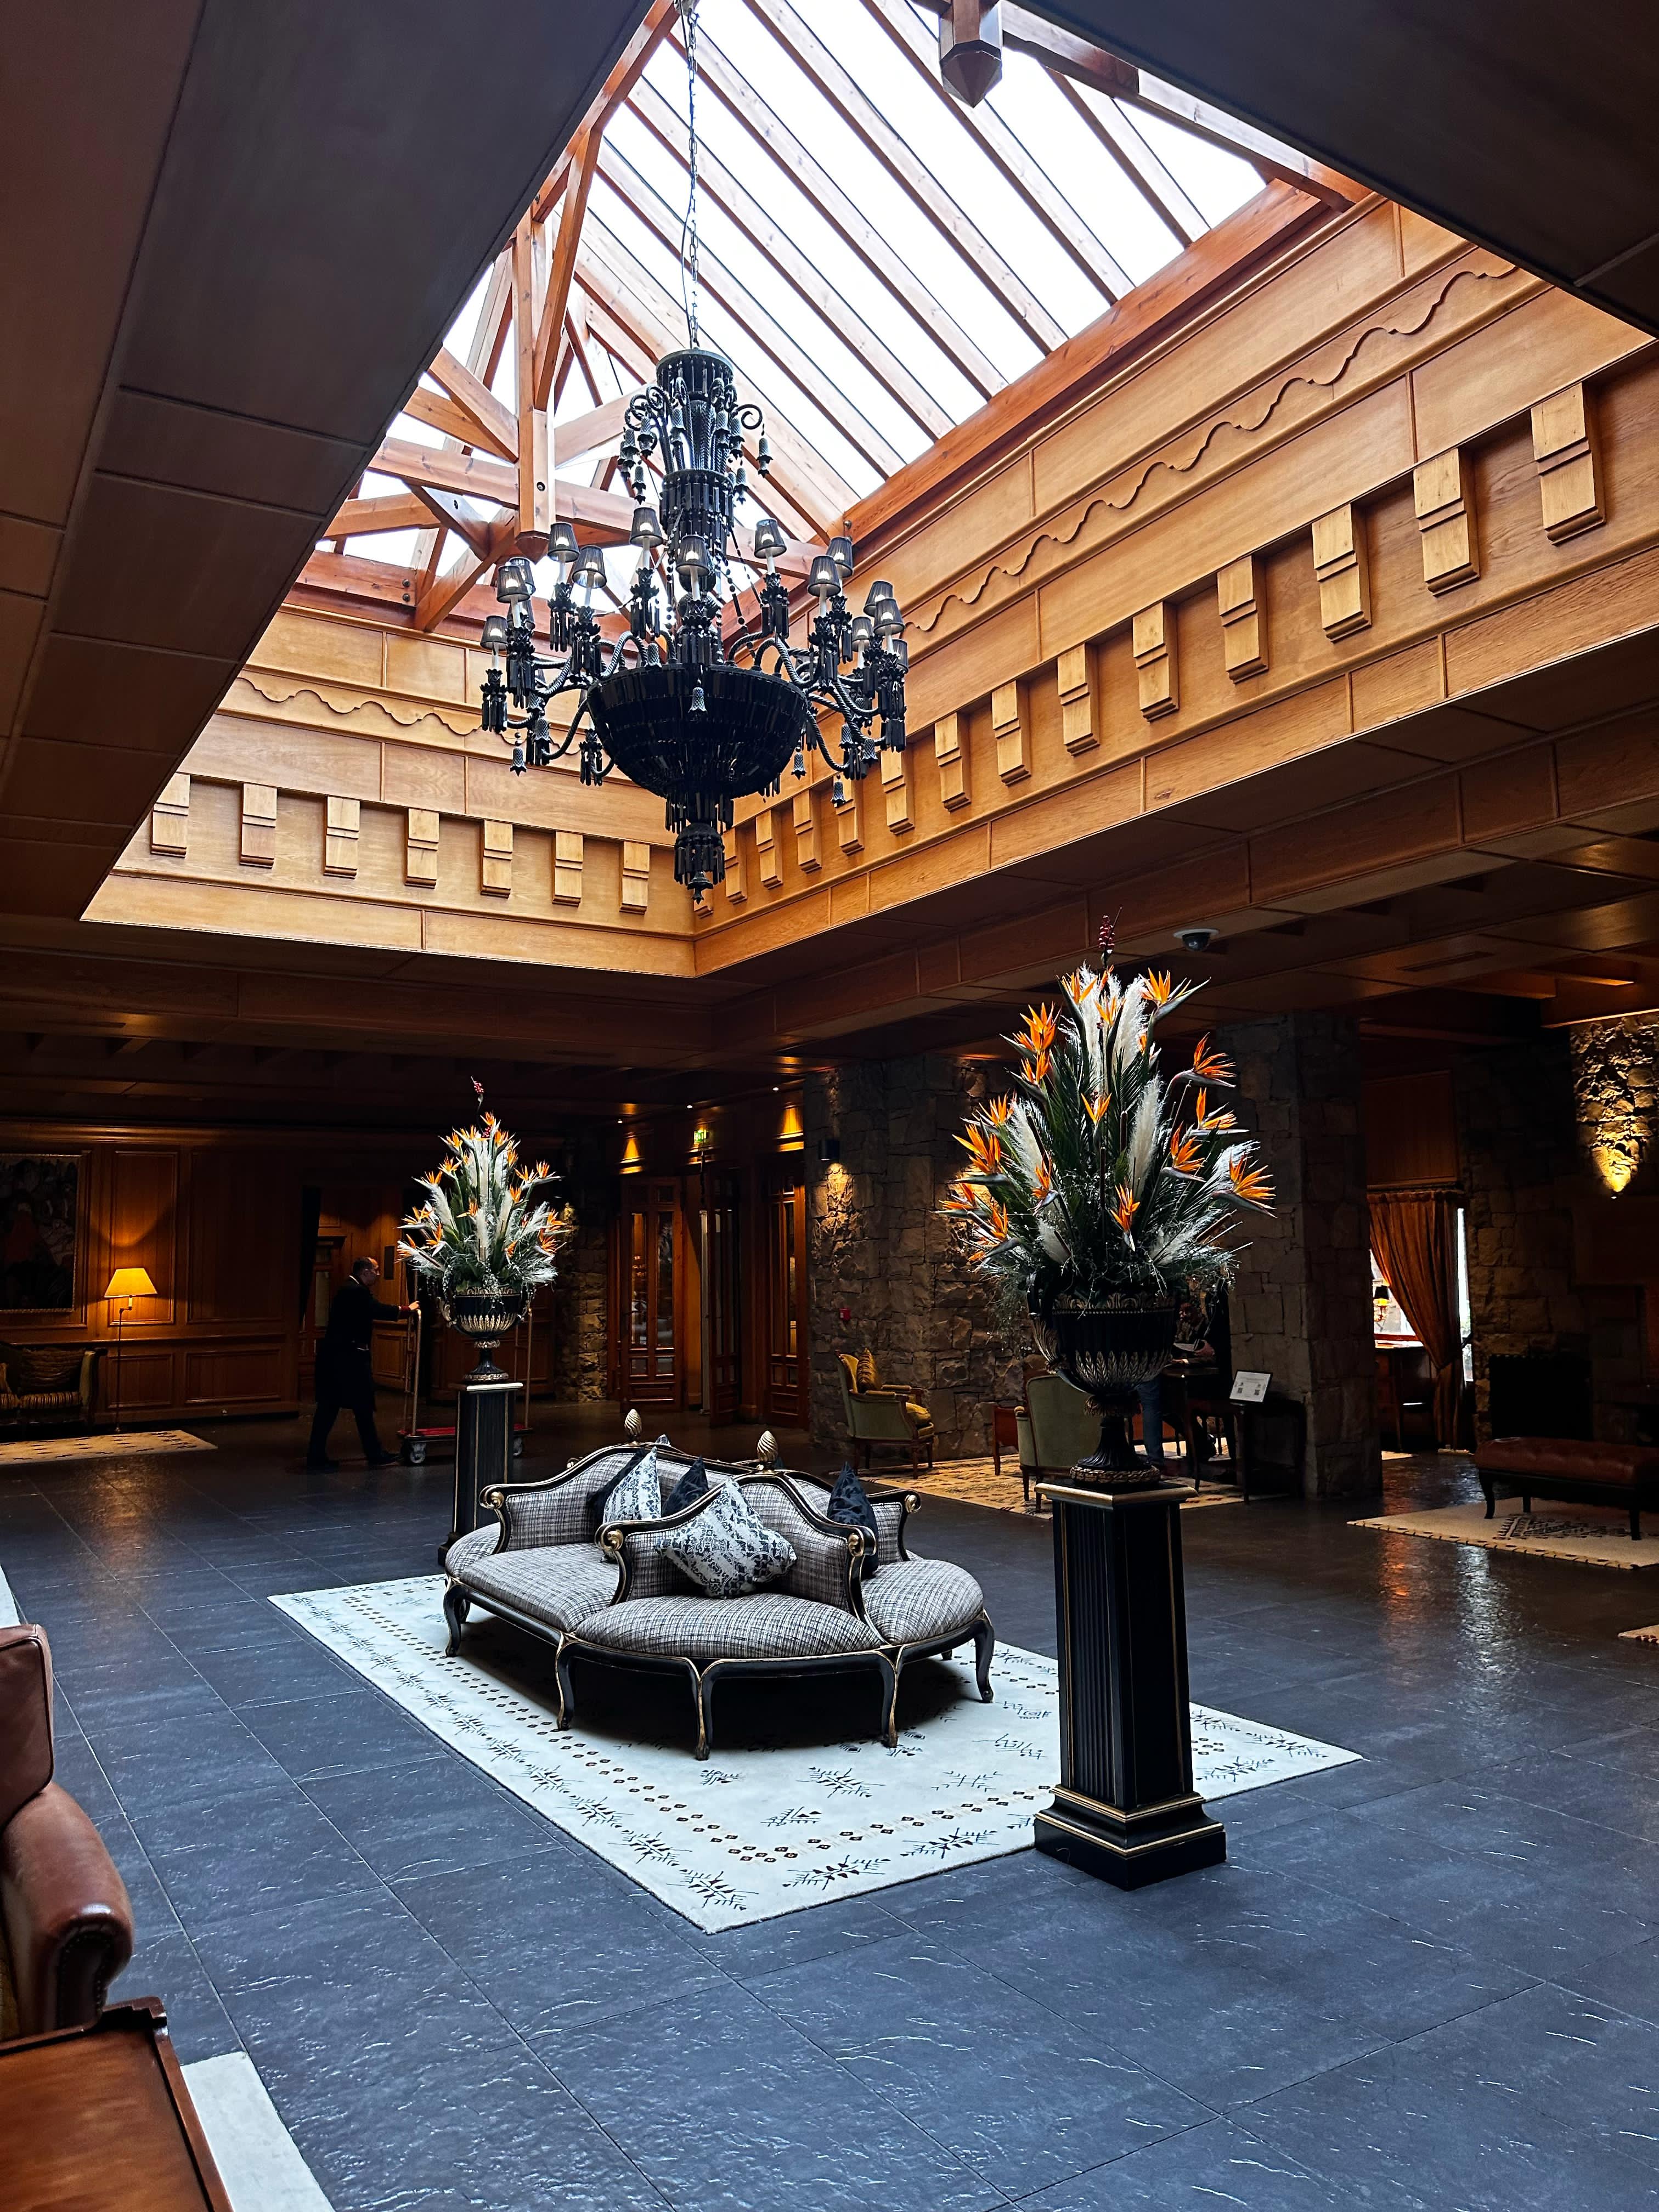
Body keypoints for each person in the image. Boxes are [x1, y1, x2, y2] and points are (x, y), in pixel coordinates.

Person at [306, 1257, 408, 1470]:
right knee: (343, 1408)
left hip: (341, 1359)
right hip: (346, 1361)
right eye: (376, 1270)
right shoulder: (356, 1291)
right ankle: (369, 1454)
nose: (379, 1274)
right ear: (365, 1272)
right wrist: (404, 1310)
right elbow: (376, 1309)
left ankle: (369, 1453)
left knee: (341, 1408)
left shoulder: (349, 1288)